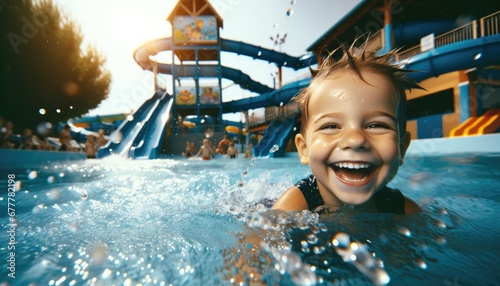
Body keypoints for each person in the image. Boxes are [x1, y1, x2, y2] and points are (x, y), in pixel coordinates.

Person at [272, 44, 422, 215]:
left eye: (376, 125)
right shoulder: (294, 206)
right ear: (304, 149)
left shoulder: (402, 210)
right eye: (330, 126)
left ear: (402, 149)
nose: (355, 140)